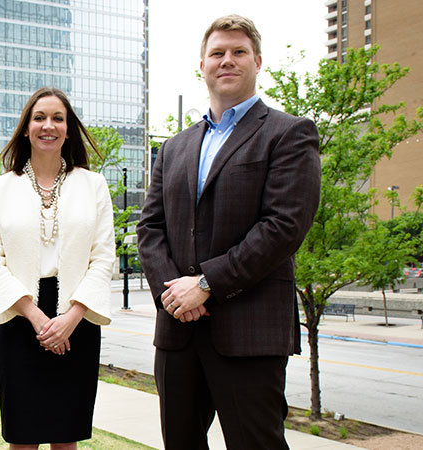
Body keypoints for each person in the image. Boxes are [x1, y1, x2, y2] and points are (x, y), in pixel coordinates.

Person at [136, 14, 321, 450]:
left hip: (249, 331)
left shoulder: (289, 134)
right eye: (217, 53)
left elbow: (283, 227)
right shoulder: (174, 147)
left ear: (258, 62)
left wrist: (205, 285)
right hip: (179, 332)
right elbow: (150, 228)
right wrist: (174, 295)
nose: (227, 60)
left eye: (239, 52)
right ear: (202, 65)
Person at [0, 87, 115, 449]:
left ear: (68, 130)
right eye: (39, 118)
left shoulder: (94, 185)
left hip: (78, 317)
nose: (48, 125)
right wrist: (38, 318)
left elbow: (103, 257)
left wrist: (71, 317)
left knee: (66, 436)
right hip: (19, 317)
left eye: (58, 118)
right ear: (26, 128)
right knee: (22, 437)